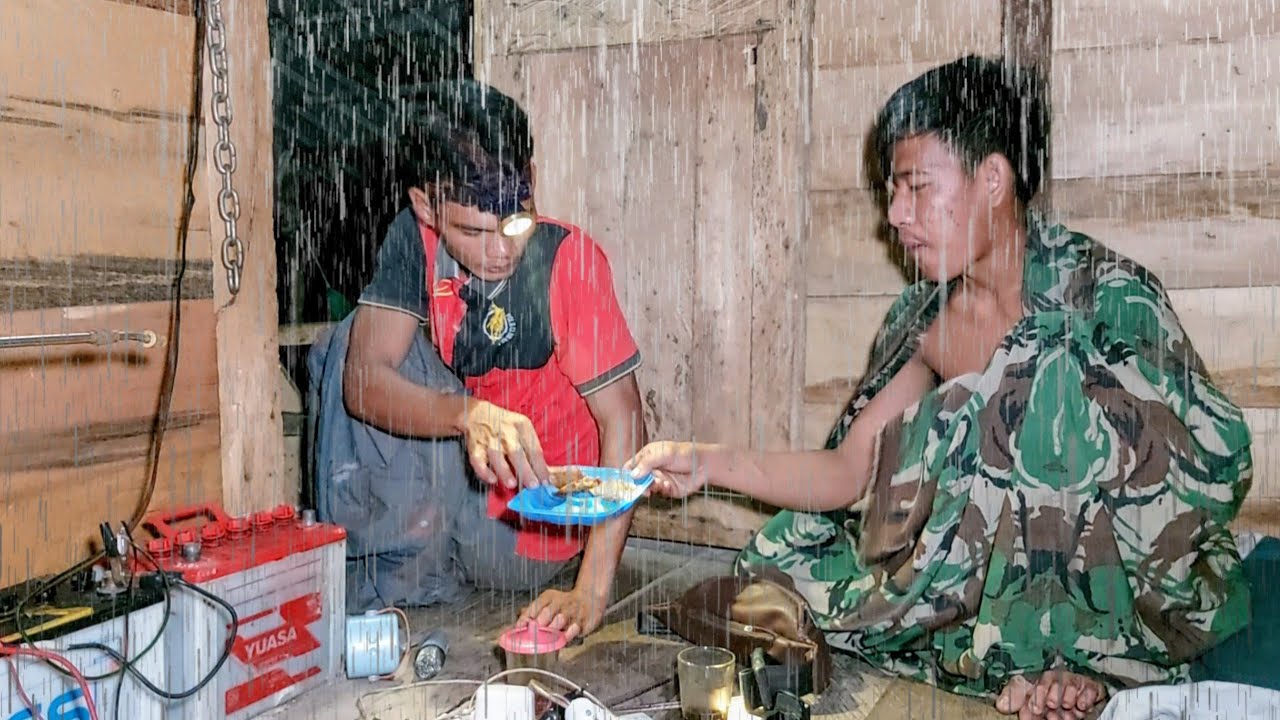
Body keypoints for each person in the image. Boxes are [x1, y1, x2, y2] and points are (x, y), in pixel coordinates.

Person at [626, 55, 1254, 720]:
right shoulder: (924, 319)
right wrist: (708, 462)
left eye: (917, 187)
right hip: (977, 582)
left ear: (992, 179)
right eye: (892, 192)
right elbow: (848, 473)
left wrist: (1049, 406)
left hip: (1115, 589)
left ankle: (1082, 661)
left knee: (1041, 378)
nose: (896, 215)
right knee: (785, 557)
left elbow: (1216, 469)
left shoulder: (1106, 295)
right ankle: (1022, 659)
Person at [309, 80, 646, 638]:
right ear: (425, 206)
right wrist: (468, 415)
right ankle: (399, 574)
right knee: (346, 348)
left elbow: (626, 420)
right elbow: (362, 384)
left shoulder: (569, 261)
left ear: (530, 179)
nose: (502, 250)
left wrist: (590, 591)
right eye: (473, 231)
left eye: (516, 222)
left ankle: (408, 574)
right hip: (473, 489)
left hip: (531, 528)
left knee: (363, 352)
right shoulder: (413, 240)